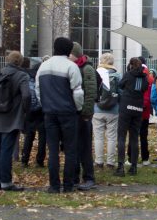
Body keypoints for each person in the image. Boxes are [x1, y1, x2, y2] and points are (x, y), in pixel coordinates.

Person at [38, 36, 84, 193]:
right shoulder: (71, 67)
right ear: (69, 50)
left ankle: (54, 185)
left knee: (53, 150)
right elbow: (78, 92)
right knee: (70, 149)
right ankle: (69, 184)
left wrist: (45, 105)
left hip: (49, 112)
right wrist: (78, 108)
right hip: (67, 112)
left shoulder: (43, 67)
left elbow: (38, 90)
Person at [0, 50, 31, 192]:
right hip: (12, 116)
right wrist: (25, 110)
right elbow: (26, 95)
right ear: (20, 62)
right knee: (6, 149)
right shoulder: (22, 75)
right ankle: (6, 182)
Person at [116, 57, 147, 175]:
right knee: (134, 138)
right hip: (138, 108)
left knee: (122, 136)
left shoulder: (128, 75)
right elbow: (143, 89)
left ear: (130, 65)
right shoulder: (143, 78)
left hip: (126, 107)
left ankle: (120, 167)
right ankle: (134, 166)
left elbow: (120, 85)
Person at [72, 43, 97, 189]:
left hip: (83, 115)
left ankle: (89, 177)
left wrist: (86, 113)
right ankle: (75, 176)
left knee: (85, 147)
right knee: (74, 146)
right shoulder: (76, 67)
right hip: (75, 113)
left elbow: (90, 93)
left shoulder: (86, 69)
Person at [92, 53, 120, 169]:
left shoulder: (96, 74)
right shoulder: (117, 76)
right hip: (113, 110)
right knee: (112, 137)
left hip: (97, 109)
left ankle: (99, 161)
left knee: (98, 137)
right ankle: (110, 162)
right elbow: (121, 92)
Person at [21, 59, 45, 167]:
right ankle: (40, 160)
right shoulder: (43, 78)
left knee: (29, 136)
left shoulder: (26, 78)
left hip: (29, 109)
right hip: (41, 110)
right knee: (43, 136)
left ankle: (24, 159)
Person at [139, 62, 153, 164]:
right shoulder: (150, 80)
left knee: (133, 136)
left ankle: (131, 158)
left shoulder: (135, 78)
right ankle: (145, 158)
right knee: (144, 136)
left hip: (135, 111)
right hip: (145, 112)